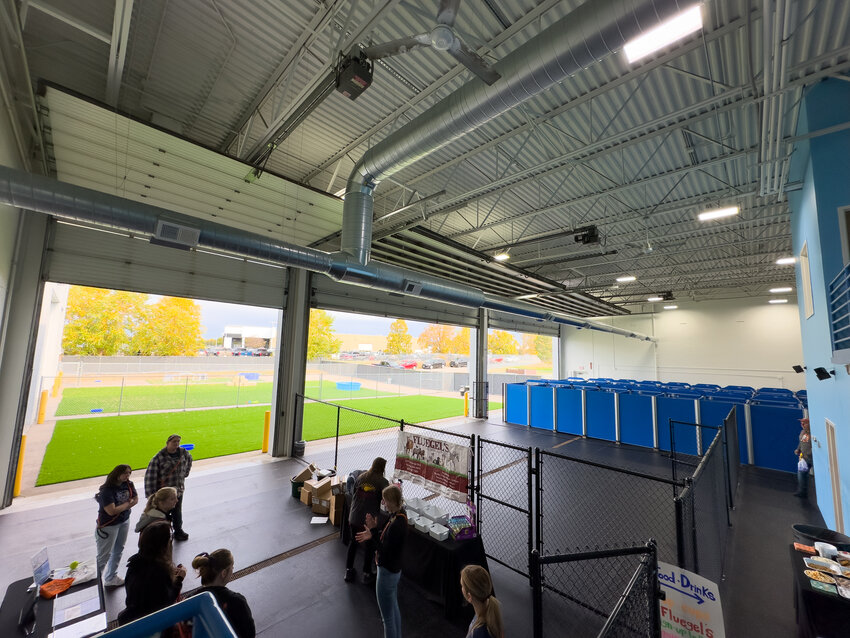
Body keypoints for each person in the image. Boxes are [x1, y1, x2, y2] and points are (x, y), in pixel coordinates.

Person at [356, 484, 407, 638]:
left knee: (387, 618)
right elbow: (386, 541)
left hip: (387, 572)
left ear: (391, 501)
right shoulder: (399, 515)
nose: (383, 503)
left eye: (385, 500)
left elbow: (384, 550)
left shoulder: (396, 524)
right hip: (394, 570)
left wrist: (372, 533)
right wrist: (373, 532)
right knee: (393, 608)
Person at [118, 520, 186, 626]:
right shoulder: (159, 572)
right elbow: (166, 602)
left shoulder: (134, 562)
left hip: (131, 617)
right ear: (164, 546)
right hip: (149, 623)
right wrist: (179, 580)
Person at [191, 549, 255, 638]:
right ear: (224, 573)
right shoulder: (237, 602)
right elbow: (249, 635)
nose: (233, 571)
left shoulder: (191, 599)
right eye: (232, 568)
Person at [345, 457, 389, 584]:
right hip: (368, 521)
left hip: (354, 516)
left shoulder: (361, 477)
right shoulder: (383, 481)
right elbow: (387, 500)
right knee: (369, 546)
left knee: (353, 542)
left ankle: (348, 570)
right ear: (382, 468)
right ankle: (366, 573)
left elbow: (353, 493)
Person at [95, 464, 138, 587]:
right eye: (125, 473)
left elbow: (135, 499)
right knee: (104, 556)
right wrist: (126, 505)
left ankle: (110, 577)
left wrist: (124, 506)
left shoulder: (129, 484)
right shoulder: (107, 490)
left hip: (124, 521)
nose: (127, 475)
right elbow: (111, 511)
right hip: (108, 526)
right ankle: (95, 585)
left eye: (129, 473)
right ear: (117, 474)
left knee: (118, 550)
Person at [145, 434, 193, 540]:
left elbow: (189, 460)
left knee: (177, 511)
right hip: (164, 494)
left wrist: (185, 473)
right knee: (162, 513)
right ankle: (162, 532)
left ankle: (178, 530)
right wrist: (151, 496)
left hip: (178, 491)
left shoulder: (183, 453)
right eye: (174, 442)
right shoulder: (158, 458)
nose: (176, 444)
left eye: (178, 442)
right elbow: (150, 477)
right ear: (167, 443)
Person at [460, 565, 504, 638]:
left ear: (469, 596)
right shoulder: (494, 607)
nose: (461, 588)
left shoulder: (478, 633)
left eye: (462, 586)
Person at [794, 417, 813, 497]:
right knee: (801, 474)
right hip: (804, 457)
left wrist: (810, 453)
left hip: (812, 458)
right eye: (801, 423)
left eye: (804, 423)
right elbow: (801, 442)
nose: (802, 424)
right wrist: (798, 449)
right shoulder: (803, 432)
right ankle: (802, 491)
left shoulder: (813, 433)